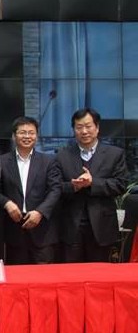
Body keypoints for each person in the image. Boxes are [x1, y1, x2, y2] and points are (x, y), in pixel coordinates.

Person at [56, 108, 129, 262]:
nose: (84, 131)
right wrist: (74, 186)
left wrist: (92, 183)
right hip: (71, 226)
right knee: (71, 272)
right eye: (79, 127)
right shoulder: (62, 155)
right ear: (74, 130)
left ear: (97, 128)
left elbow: (121, 184)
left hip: (102, 226)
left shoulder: (114, 154)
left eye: (88, 126)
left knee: (99, 272)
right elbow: (55, 187)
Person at [0, 117, 61, 264]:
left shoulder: (49, 161)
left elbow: (55, 190)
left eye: (31, 133)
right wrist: (7, 203)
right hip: (14, 230)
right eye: (22, 132)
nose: (27, 136)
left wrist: (40, 212)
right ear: (14, 136)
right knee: (17, 275)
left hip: (42, 231)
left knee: (43, 275)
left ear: (36, 136)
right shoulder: (1, 161)